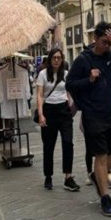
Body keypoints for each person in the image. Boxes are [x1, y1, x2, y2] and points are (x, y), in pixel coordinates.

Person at [66, 21, 111, 218]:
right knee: (101, 156)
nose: (106, 46)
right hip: (93, 115)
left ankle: (98, 176)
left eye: (109, 42)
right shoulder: (83, 60)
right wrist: (89, 79)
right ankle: (105, 199)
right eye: (104, 41)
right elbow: (70, 83)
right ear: (95, 38)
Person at [36, 47, 80, 192]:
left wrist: (71, 106)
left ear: (62, 60)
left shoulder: (66, 74)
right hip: (49, 111)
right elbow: (40, 95)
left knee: (68, 143)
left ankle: (68, 177)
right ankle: (48, 175)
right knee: (49, 145)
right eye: (54, 58)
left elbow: (69, 92)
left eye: (59, 58)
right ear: (50, 59)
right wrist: (41, 114)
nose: (56, 60)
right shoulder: (42, 74)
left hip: (63, 111)